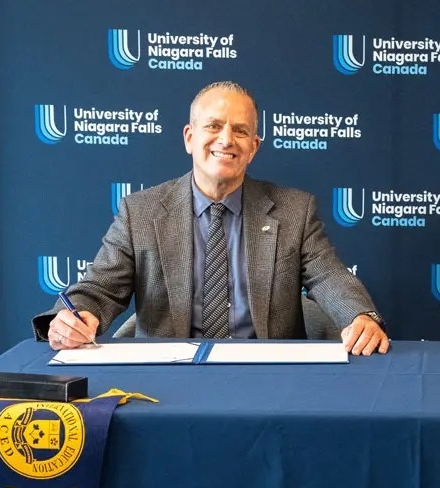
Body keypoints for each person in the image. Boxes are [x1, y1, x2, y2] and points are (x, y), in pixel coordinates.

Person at [33, 81, 389, 356]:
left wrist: (360, 316)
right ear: (190, 137)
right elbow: (99, 288)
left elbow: (329, 276)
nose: (226, 140)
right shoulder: (139, 212)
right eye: (213, 126)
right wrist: (75, 317)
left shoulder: (294, 210)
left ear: (254, 146)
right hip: (169, 380)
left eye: (240, 130)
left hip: (269, 378)